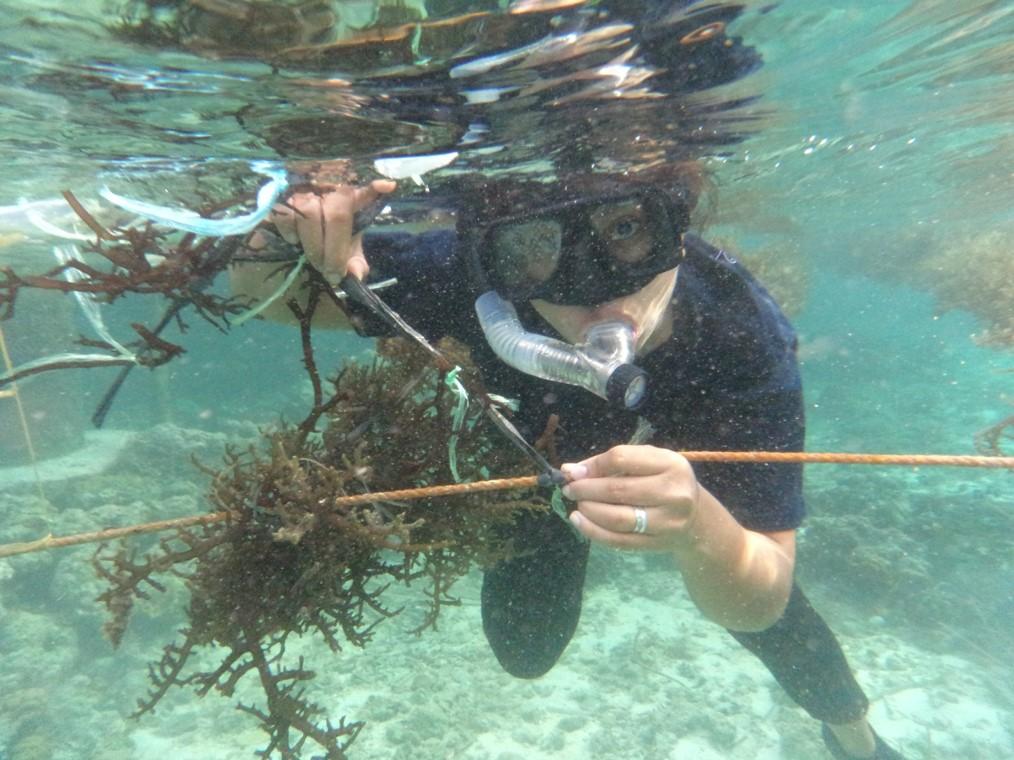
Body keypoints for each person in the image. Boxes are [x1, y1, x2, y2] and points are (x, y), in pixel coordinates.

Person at [228, 167, 906, 760]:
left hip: (696, 475)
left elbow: (762, 592)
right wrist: (289, 236)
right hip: (541, 470)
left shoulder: (737, 330)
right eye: (534, 245)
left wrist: (701, 525)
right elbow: (268, 297)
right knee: (524, 651)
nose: (594, 291)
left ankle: (855, 740)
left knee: (779, 621)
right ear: (491, 250)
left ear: (678, 219)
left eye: (626, 228)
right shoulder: (459, 273)